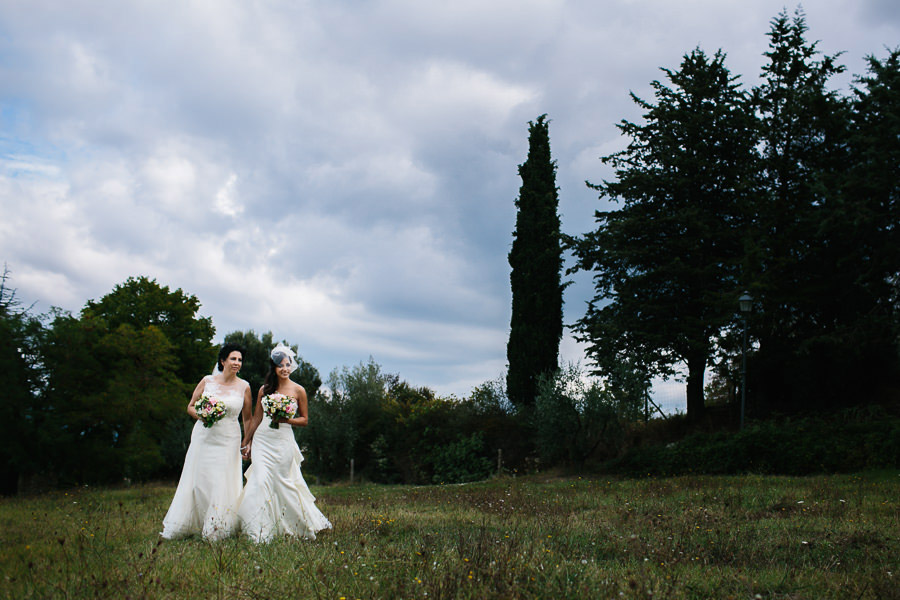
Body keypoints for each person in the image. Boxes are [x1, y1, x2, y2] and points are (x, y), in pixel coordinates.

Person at [237, 344, 331, 543]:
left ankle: (299, 527)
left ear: (292, 366)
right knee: (260, 479)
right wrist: (247, 442)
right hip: (263, 439)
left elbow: (304, 420)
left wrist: (285, 419)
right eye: (280, 365)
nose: (285, 369)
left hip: (283, 441)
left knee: (283, 482)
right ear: (274, 368)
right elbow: (255, 419)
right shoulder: (265, 389)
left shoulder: (299, 390)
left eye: (288, 364)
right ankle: (257, 529)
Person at [161, 343, 253, 540]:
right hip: (204, 436)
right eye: (233, 359)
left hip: (229, 438)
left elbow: (247, 418)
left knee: (221, 480)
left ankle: (217, 527)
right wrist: (203, 415)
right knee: (199, 480)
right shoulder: (207, 381)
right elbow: (191, 406)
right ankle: (190, 523)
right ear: (223, 361)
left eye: (239, 360)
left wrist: (247, 441)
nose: (237, 363)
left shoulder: (244, 386)